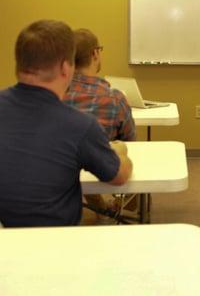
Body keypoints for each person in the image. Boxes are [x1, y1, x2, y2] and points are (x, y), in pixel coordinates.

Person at [0, 20, 133, 227]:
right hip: (58, 246)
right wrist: (120, 151)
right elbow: (119, 176)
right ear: (65, 67)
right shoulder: (80, 126)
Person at [63, 28, 136, 218]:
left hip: (61, 176)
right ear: (95, 53)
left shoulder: (54, 96)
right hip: (103, 170)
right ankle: (125, 210)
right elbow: (131, 141)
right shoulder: (114, 99)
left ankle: (99, 209)